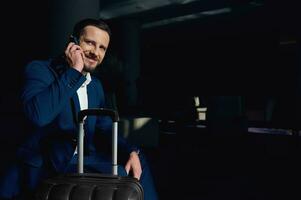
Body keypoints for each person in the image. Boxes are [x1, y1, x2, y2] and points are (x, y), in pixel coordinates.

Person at [0, 18, 158, 200]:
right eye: (90, 43)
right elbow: (38, 116)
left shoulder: (95, 85)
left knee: (138, 162)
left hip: (84, 160)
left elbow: (105, 128)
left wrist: (131, 150)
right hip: (51, 163)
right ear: (73, 42)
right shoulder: (39, 70)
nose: (95, 52)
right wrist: (74, 70)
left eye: (102, 48)